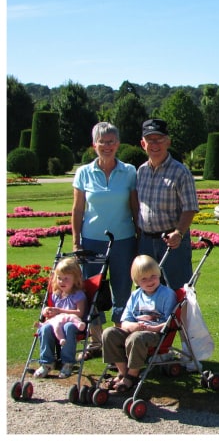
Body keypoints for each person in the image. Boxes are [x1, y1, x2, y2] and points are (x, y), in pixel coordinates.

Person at [71, 122, 138, 359]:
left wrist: (139, 238)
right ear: (94, 145)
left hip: (123, 240)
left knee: (123, 290)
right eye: (102, 142)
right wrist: (76, 241)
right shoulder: (83, 172)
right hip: (92, 241)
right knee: (93, 291)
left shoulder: (129, 171)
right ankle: (97, 341)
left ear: (118, 144)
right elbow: (78, 210)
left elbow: (135, 207)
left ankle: (118, 341)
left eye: (111, 141)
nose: (107, 146)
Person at [137, 118, 199, 290]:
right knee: (147, 292)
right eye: (150, 140)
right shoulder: (141, 172)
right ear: (143, 144)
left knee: (179, 290)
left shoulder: (180, 172)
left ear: (168, 142)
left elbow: (190, 207)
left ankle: (183, 318)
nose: (154, 144)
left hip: (172, 241)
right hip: (146, 242)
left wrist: (178, 233)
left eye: (159, 139)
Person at [101, 255, 177, 393]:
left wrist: (151, 328)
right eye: (144, 279)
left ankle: (133, 375)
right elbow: (125, 321)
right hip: (136, 329)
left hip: (155, 332)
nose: (150, 281)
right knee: (108, 333)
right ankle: (123, 372)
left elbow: (169, 322)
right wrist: (132, 327)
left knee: (135, 338)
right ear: (137, 281)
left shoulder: (167, 294)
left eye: (153, 276)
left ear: (159, 274)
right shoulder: (136, 295)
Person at [34, 257, 87, 379]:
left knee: (68, 326)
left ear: (75, 279)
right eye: (59, 278)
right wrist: (48, 311)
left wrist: (59, 311)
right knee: (45, 328)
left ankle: (68, 362)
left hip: (73, 323)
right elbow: (53, 313)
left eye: (66, 279)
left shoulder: (78, 294)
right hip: (56, 325)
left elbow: (80, 312)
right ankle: (47, 362)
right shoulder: (57, 294)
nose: (62, 282)